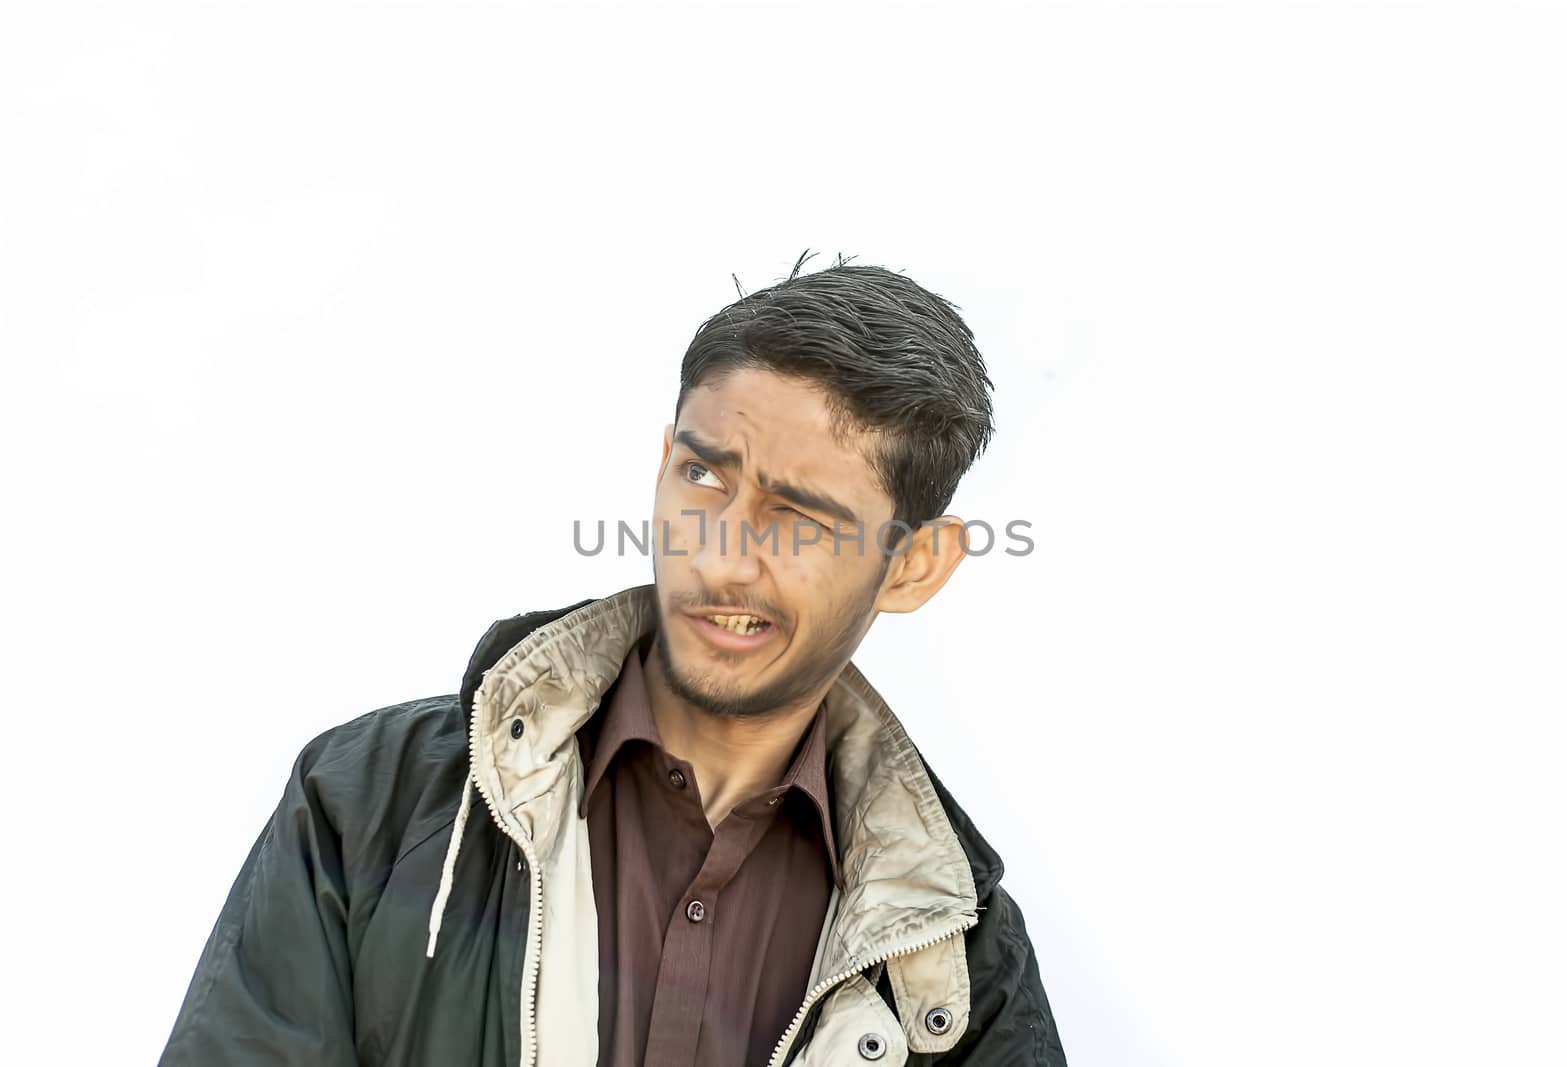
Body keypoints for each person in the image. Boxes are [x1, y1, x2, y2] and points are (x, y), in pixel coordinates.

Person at [158, 252, 1067, 1066]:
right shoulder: (370, 807)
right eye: (704, 476)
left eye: (800, 515)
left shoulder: (955, 968)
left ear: (912, 564)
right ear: (665, 459)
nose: (719, 550)